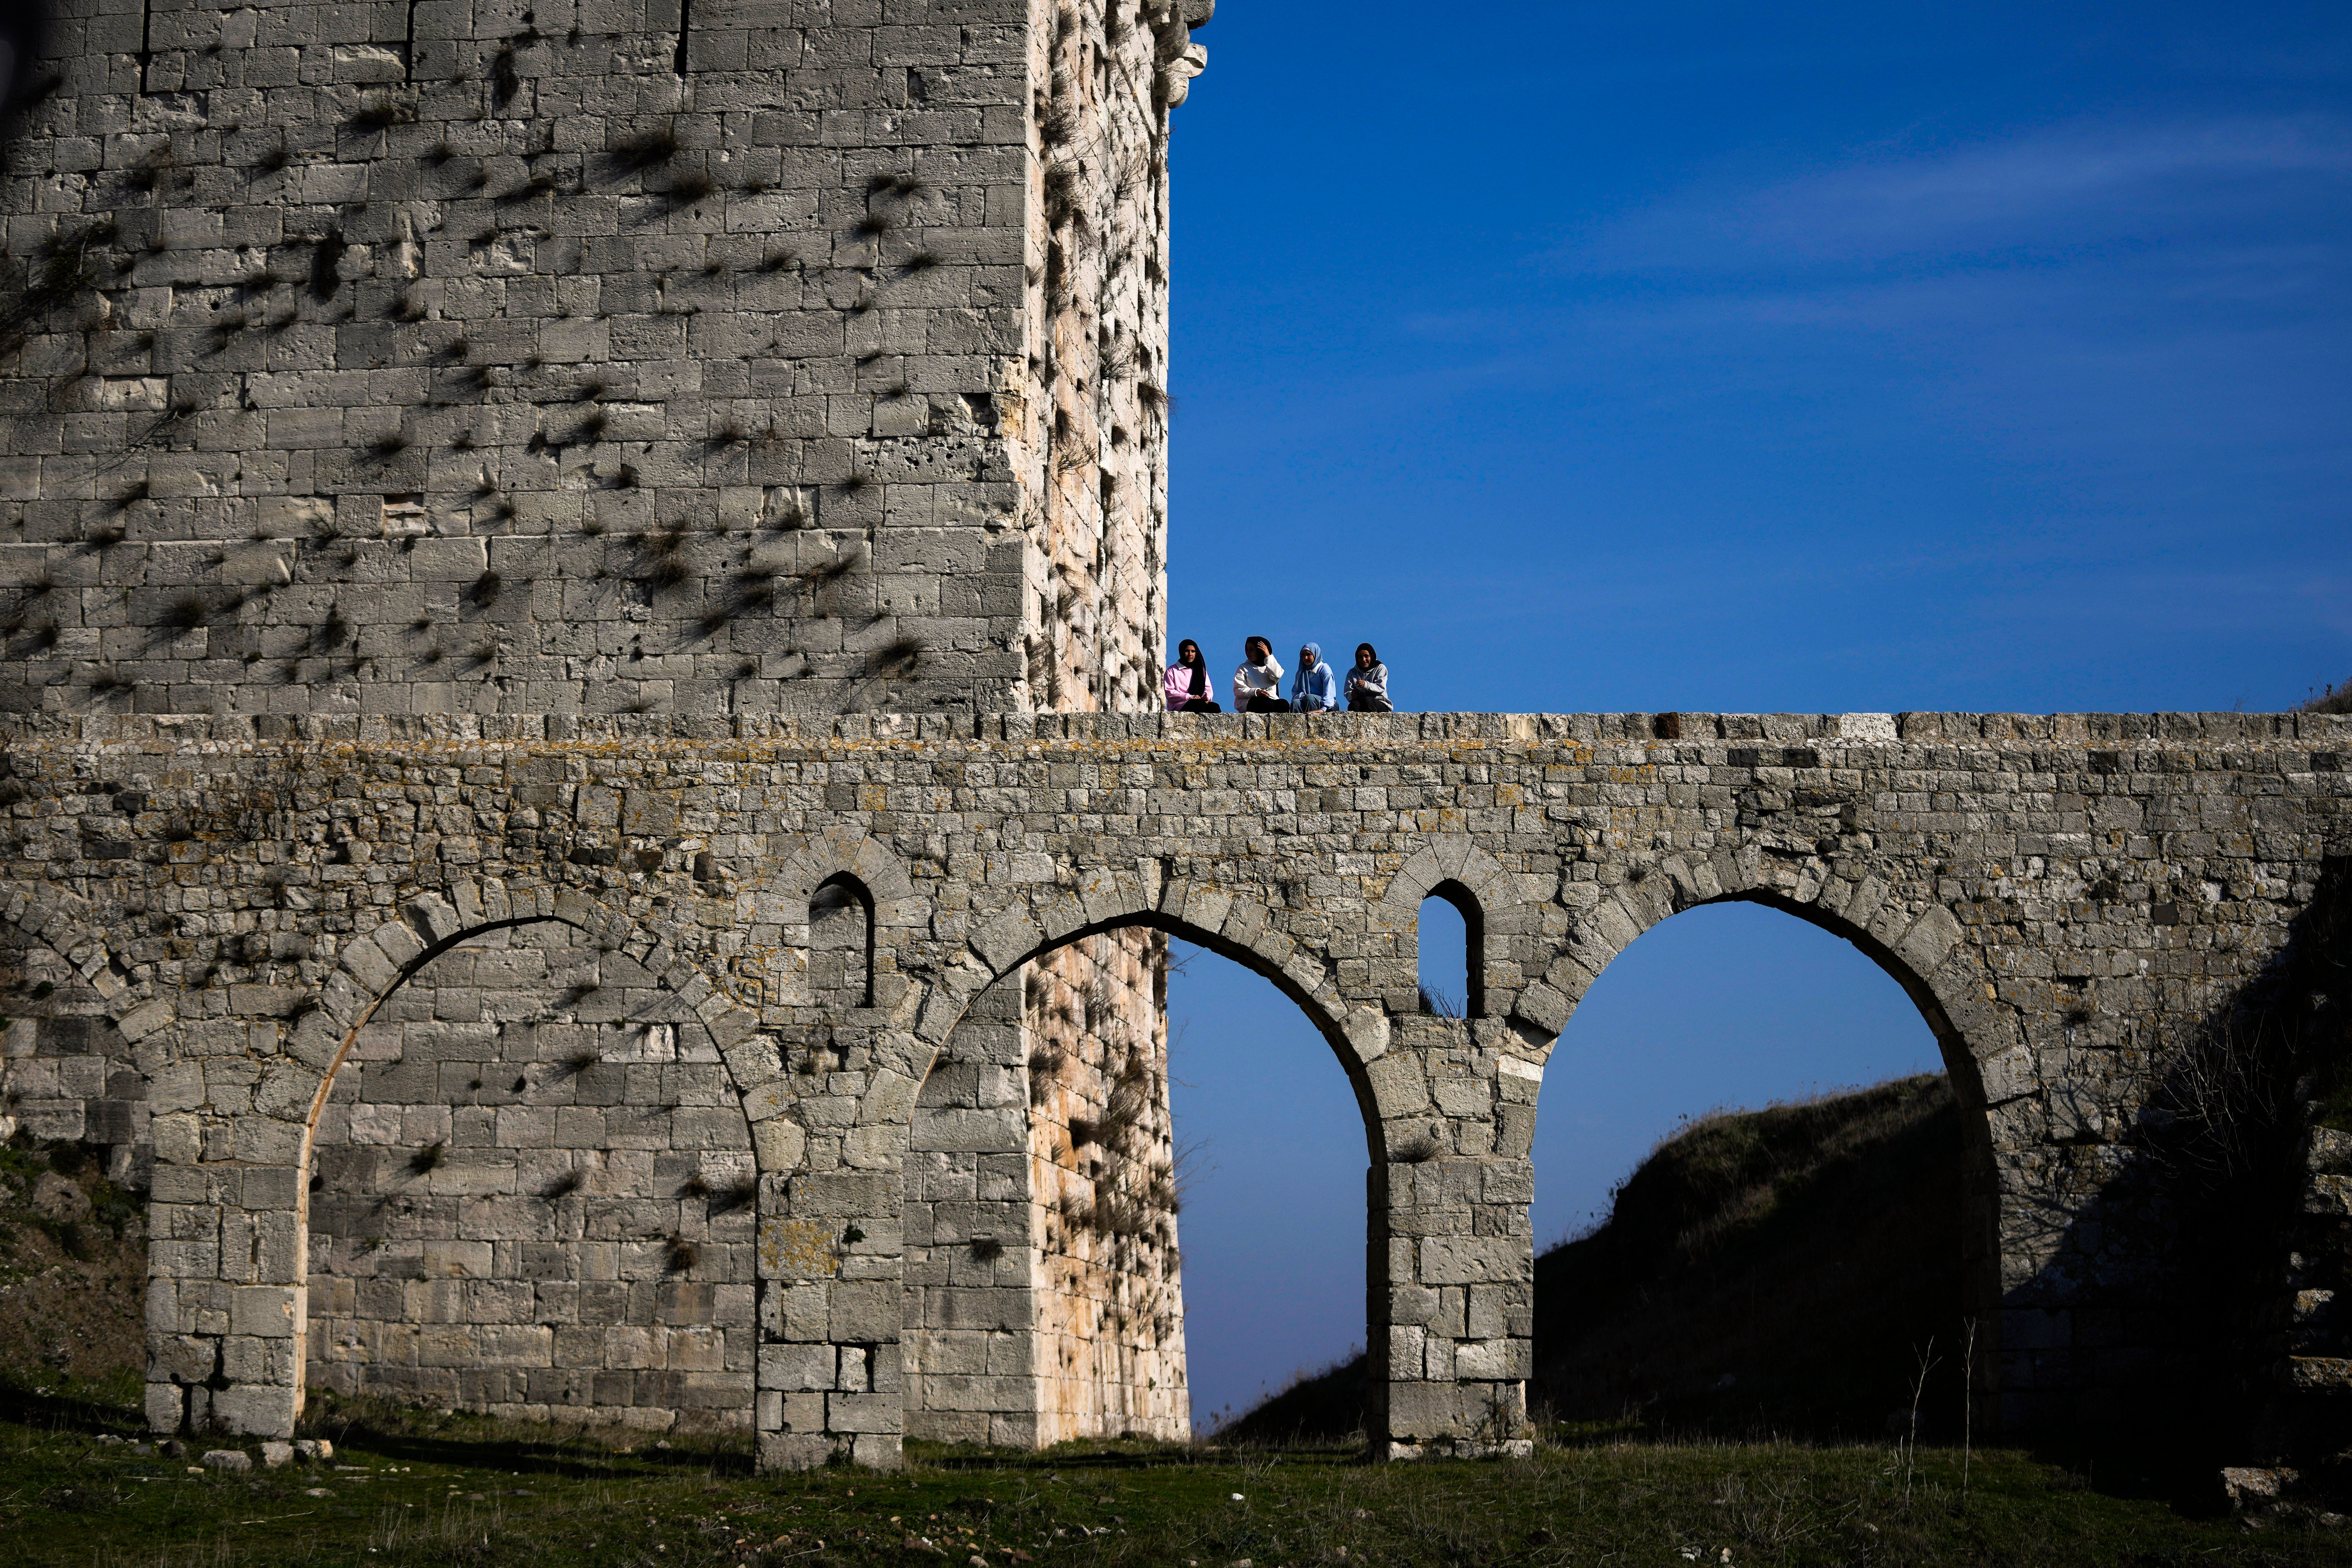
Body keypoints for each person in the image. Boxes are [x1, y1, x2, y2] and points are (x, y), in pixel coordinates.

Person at [1163, 639, 1221, 712]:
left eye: (1193, 652)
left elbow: (1208, 689)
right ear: (1182, 652)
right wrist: (1190, 697)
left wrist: (1207, 697)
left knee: (1215, 707)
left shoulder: (1200, 671)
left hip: (1200, 702)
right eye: (1187, 651)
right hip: (1180, 705)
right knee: (1198, 705)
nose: (1190, 654)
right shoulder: (1172, 671)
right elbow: (1170, 693)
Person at [1233, 636, 1286, 712]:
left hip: (1271, 700)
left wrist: (1268, 656)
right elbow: (1238, 690)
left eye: (1251, 650)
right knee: (1266, 703)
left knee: (1283, 705)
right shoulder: (1243, 668)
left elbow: (1277, 675)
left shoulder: (1270, 666)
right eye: (1247, 649)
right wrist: (1257, 692)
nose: (1248, 652)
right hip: (1250, 700)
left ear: (1260, 651)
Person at [1291, 642, 1338, 713]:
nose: (1305, 658)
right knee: (1296, 703)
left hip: (1326, 706)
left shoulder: (1324, 669)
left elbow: (1330, 692)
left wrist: (1323, 709)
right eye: (1303, 655)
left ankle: (1314, 723)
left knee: (1310, 698)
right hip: (1307, 700)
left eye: (1309, 655)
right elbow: (1296, 693)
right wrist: (1302, 697)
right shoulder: (1301, 672)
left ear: (1316, 655)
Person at [1346, 643, 1392, 712]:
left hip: (1380, 703)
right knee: (1353, 705)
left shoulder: (1380, 668)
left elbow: (1381, 688)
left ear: (1372, 656)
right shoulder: (1352, 673)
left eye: (1366, 656)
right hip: (1362, 703)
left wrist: (1366, 685)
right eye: (1360, 657)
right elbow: (1348, 692)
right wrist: (1352, 694)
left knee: (1368, 701)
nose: (1364, 660)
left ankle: (1373, 723)